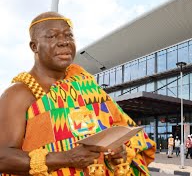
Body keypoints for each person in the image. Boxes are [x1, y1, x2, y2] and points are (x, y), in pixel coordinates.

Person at [0, 12, 155, 176]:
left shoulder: (88, 87)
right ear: (34, 46)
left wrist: (121, 151)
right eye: (52, 36)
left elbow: (125, 132)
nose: (64, 42)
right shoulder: (19, 94)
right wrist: (65, 158)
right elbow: (3, 157)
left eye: (69, 36)